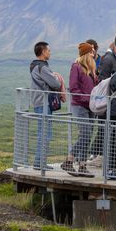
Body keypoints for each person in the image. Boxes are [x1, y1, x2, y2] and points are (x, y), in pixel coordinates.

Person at [90, 32, 116, 166]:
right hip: (109, 104)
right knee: (106, 131)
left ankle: (113, 160)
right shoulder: (109, 60)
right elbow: (102, 82)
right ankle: (101, 157)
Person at [62, 42, 98, 177]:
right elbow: (74, 88)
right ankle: (69, 160)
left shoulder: (92, 69)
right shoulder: (76, 67)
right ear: (85, 54)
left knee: (87, 136)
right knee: (85, 134)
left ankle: (82, 166)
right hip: (80, 105)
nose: (93, 54)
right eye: (91, 52)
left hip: (90, 106)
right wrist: (87, 99)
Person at [29, 41, 62, 170]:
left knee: (43, 133)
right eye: (48, 50)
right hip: (43, 103)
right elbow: (55, 84)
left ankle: (40, 162)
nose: (50, 52)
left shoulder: (35, 66)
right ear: (43, 52)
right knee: (45, 134)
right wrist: (57, 78)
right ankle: (39, 163)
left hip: (39, 102)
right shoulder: (42, 67)